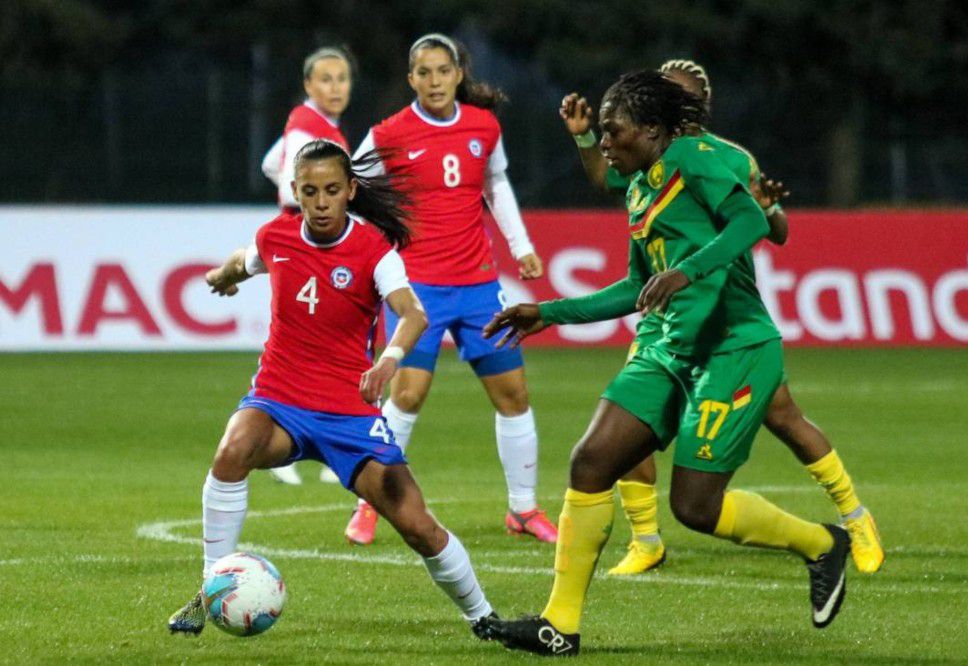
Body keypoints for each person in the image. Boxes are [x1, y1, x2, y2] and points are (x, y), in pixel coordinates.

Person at [482, 70, 851, 656]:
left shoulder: (696, 158)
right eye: (600, 131)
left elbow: (753, 221)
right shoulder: (638, 186)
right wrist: (548, 312)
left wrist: (689, 269)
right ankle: (560, 624)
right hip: (668, 347)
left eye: (612, 130)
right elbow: (635, 286)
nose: (603, 142)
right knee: (592, 461)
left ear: (652, 130)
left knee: (695, 507)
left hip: (733, 349)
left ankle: (822, 543)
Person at [557, 59, 883, 577]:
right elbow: (609, 179)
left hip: (725, 315)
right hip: (665, 318)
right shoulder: (649, 161)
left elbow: (765, 226)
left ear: (700, 105)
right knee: (623, 424)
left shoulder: (725, 157)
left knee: (785, 419)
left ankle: (854, 516)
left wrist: (769, 212)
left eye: (685, 97)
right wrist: (582, 140)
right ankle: (645, 537)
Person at [167, 140, 497, 640]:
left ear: (350, 191)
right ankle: (211, 588)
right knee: (233, 450)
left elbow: (413, 314)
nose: (320, 202)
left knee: (416, 526)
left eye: (331, 191)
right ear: (295, 192)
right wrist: (221, 276)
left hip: (349, 414)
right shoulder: (276, 236)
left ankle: (484, 618)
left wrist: (388, 360)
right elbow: (246, 260)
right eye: (309, 191)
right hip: (278, 401)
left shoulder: (372, 250)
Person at [342, 33, 556, 546]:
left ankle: (523, 510)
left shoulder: (484, 125)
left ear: (458, 73)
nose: (434, 81)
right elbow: (348, 184)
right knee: (408, 394)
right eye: (424, 72)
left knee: (513, 394)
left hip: (479, 284)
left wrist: (520, 244)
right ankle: (370, 504)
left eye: (443, 70)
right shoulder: (390, 133)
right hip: (418, 291)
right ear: (410, 78)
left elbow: (496, 184)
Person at [261, 46, 354, 484]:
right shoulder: (309, 127)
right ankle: (311, 446)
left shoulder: (312, 126)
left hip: (306, 243)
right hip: (310, 246)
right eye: (326, 79)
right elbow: (286, 186)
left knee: (311, 343)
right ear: (308, 85)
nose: (335, 87)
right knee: (324, 340)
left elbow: (270, 162)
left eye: (342, 79)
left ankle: (306, 444)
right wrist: (310, 211)